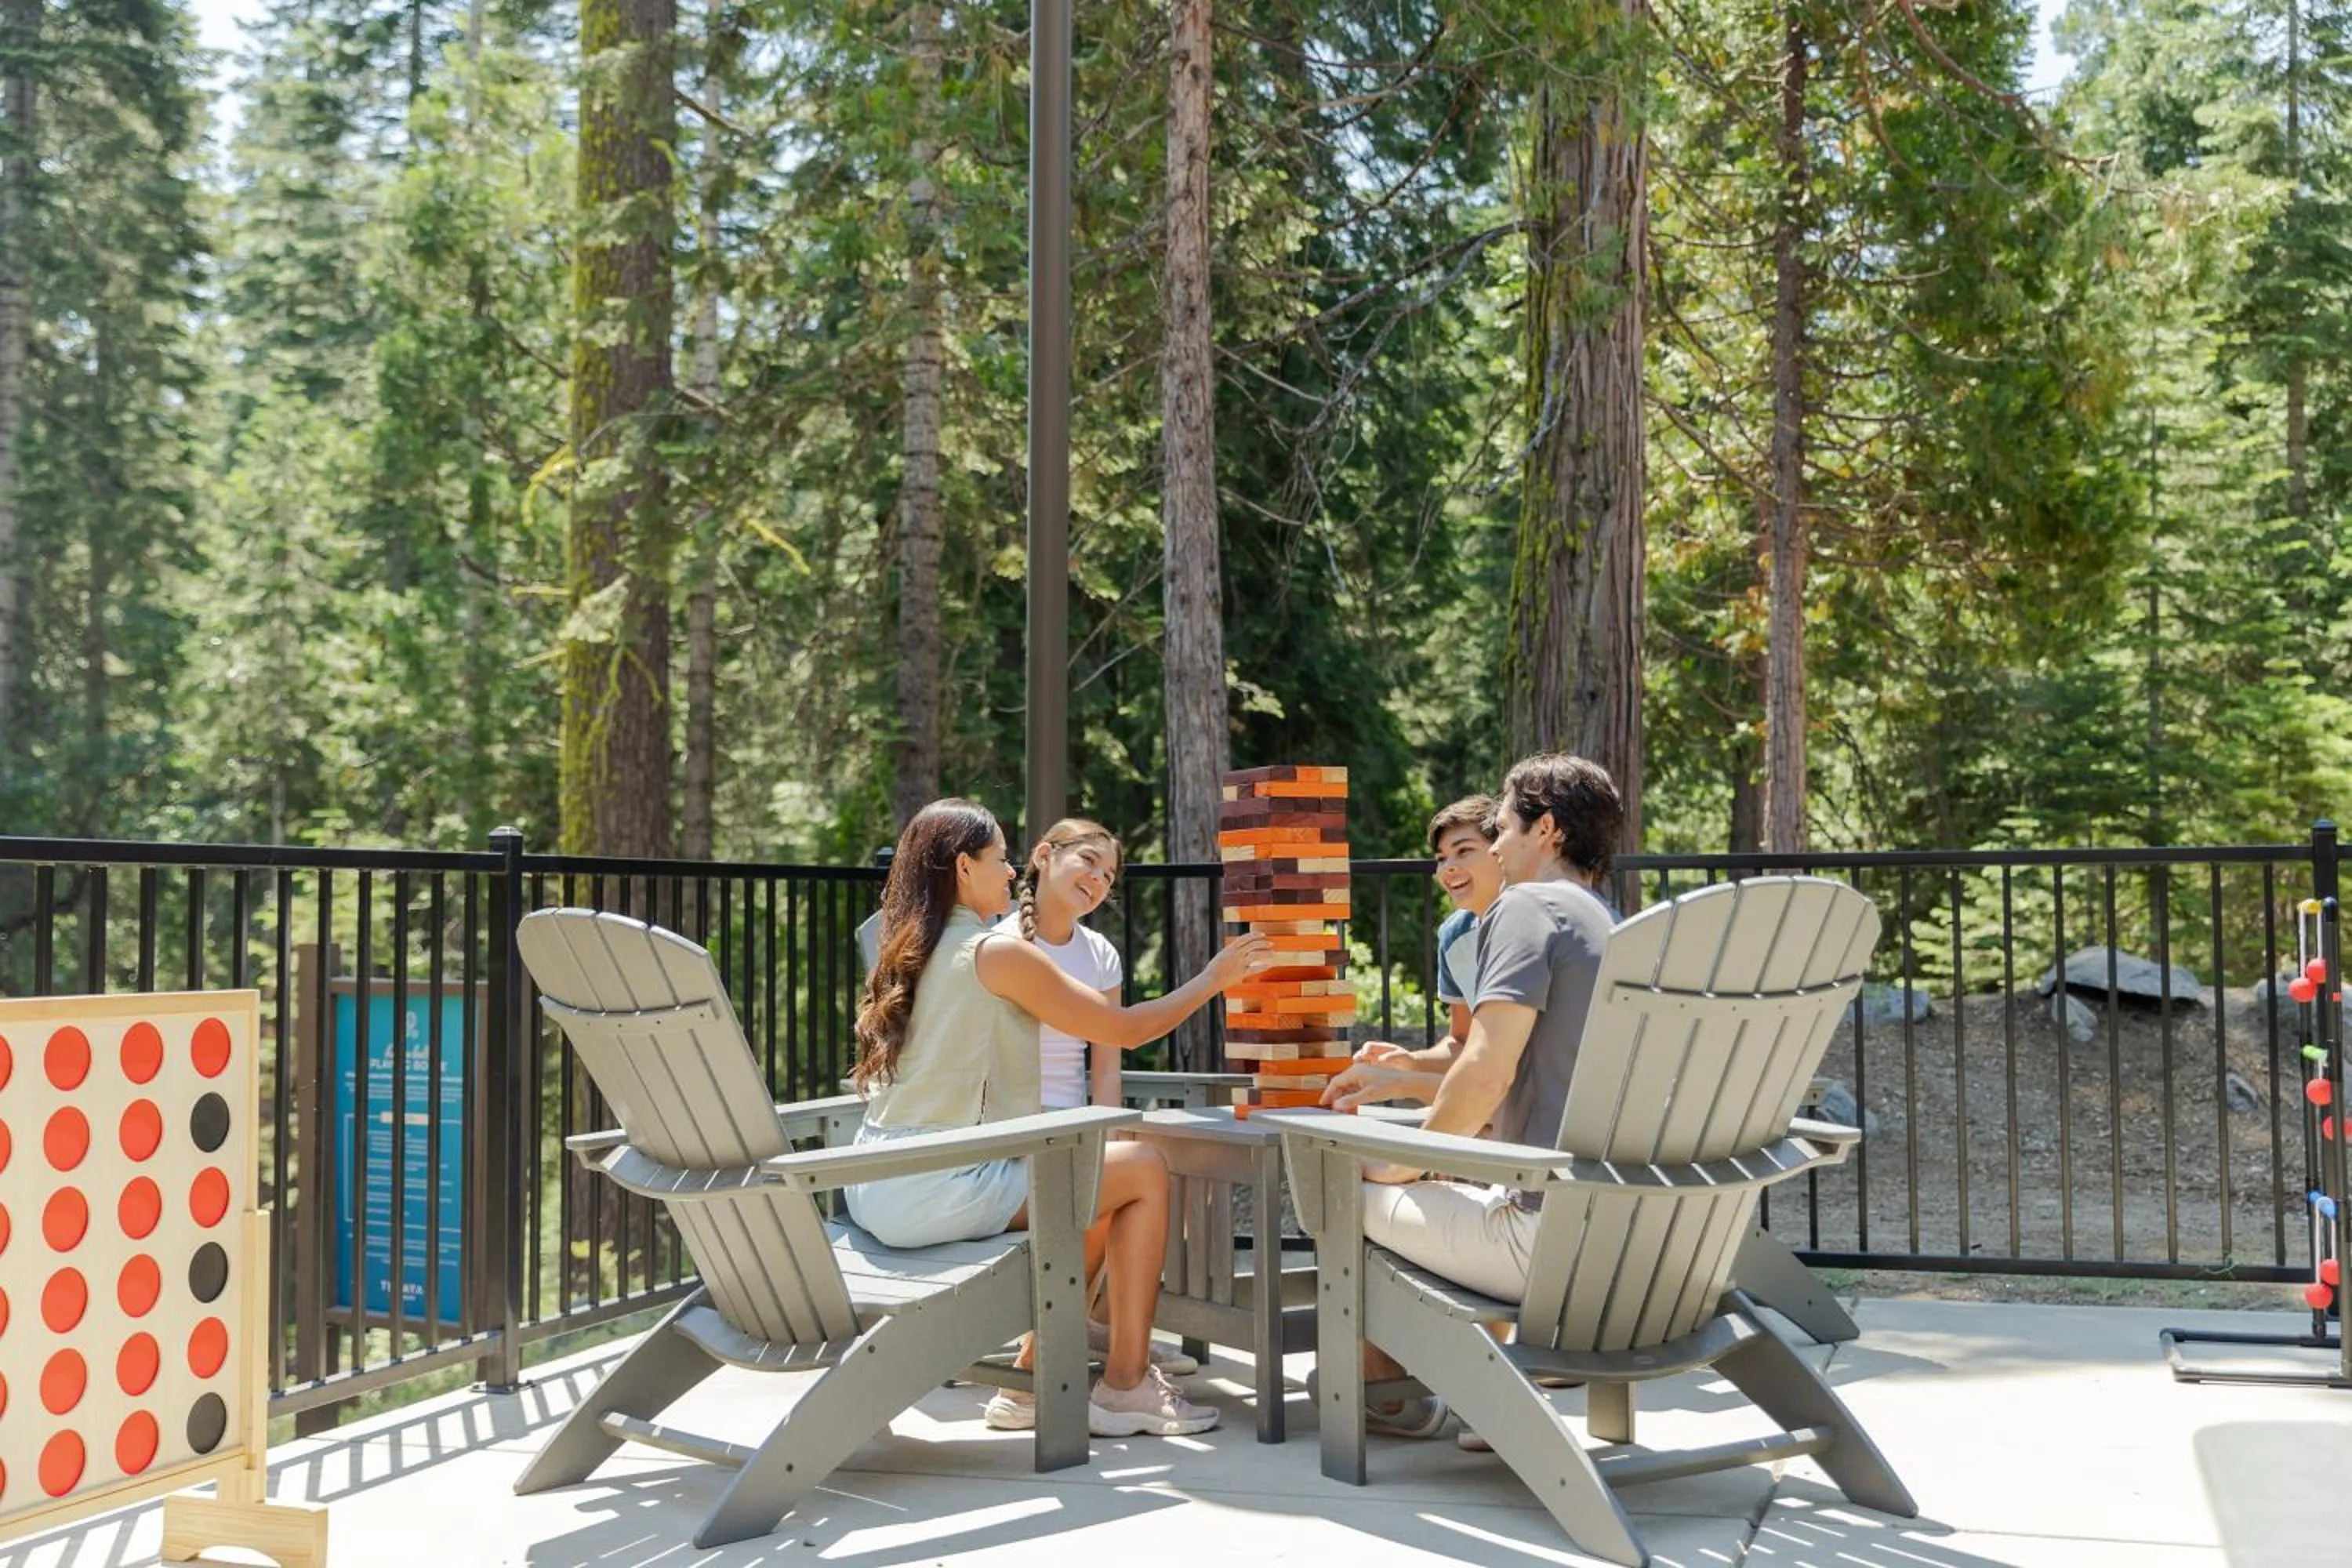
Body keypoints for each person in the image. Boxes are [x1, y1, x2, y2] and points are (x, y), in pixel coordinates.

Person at [847, 799, 1272, 1437]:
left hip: (876, 1183)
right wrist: (1214, 977)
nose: (1010, 872)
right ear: (964, 868)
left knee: (1090, 1177)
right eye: (1000, 859)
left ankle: (1048, 1361)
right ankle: (1125, 1383)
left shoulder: (910, 945)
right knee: (1145, 1170)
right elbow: (1122, 1031)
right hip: (935, 1188)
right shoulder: (995, 952)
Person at [1316, 753, 1623, 1438]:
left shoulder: (1526, 907)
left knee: (1337, 1184)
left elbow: (1486, 1072)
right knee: (1419, 1174)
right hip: (1639, 1247)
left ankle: (1393, 1392)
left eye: (1505, 827)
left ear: (1546, 831)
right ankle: (1476, 1391)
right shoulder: (1606, 924)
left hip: (1551, 1246)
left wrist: (1404, 1162)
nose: (1499, 844)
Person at [1002, 817, 1197, 1388]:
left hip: (1075, 1131)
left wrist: (1107, 1137)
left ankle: (1097, 1334)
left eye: (1108, 874)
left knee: (1148, 1166)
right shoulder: (999, 944)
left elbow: (1106, 1064)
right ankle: (1074, 1358)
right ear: (1043, 855)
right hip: (1015, 1138)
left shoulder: (1100, 954)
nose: (1098, 879)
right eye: (1087, 860)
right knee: (1110, 1187)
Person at [1352, 795, 1503, 1077]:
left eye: (1464, 851)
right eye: (1441, 858)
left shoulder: (1538, 923)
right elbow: (1462, 1042)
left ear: (1502, 850)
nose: (1448, 867)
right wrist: (1409, 1060)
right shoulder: (1453, 935)